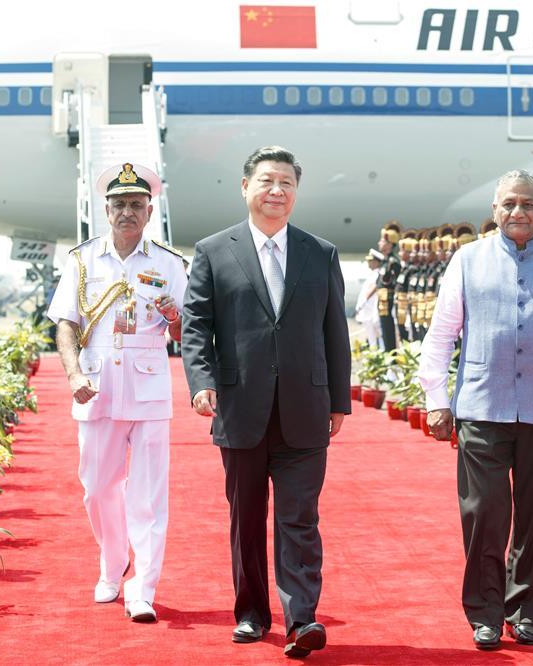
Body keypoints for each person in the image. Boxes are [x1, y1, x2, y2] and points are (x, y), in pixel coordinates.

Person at [418, 170, 533, 650]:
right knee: (483, 512)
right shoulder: (467, 260)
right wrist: (437, 400)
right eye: (508, 204)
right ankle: (484, 613)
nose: (518, 212)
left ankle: (524, 611)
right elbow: (441, 334)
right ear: (495, 209)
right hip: (482, 407)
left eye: (527, 204)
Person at [181, 146, 350, 659]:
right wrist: (201, 380)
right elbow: (196, 326)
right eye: (267, 181)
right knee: (247, 519)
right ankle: (251, 614)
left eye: (286, 183)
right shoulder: (214, 250)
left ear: (295, 193)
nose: (276, 191)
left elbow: (334, 331)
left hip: (306, 409)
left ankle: (302, 620)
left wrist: (338, 399)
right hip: (239, 407)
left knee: (300, 517)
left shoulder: (320, 253)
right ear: (245, 187)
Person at [47, 162, 188, 623]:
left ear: (150, 212)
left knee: (148, 494)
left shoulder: (169, 263)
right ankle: (112, 565)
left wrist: (173, 319)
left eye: (136, 205)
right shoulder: (83, 260)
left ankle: (142, 587)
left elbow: (189, 333)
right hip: (97, 385)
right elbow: (67, 324)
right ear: (104, 211)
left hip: (148, 386)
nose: (127, 212)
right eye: (119, 205)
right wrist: (73, 377)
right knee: (97, 488)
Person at [354, 249, 383, 348]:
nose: (368, 263)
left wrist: (361, 304)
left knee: (377, 335)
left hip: (372, 310)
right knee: (371, 337)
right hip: (367, 310)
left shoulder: (378, 274)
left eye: (370, 261)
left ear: (376, 261)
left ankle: (378, 357)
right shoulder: (372, 274)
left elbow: (373, 289)